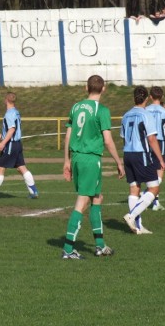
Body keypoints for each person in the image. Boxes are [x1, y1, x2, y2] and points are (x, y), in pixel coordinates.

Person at [61, 75, 124, 260]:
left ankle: (100, 246)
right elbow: (107, 140)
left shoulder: (76, 106)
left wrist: (66, 160)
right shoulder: (101, 110)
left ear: (85, 88)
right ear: (103, 88)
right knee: (82, 202)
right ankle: (68, 249)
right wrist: (118, 162)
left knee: (97, 197)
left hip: (77, 158)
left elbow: (68, 135)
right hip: (90, 159)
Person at [121, 86, 165, 235]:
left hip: (127, 154)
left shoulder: (126, 115)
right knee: (154, 188)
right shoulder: (146, 114)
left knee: (134, 189)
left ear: (134, 98)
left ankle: (138, 227)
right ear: (146, 98)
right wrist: (160, 159)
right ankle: (131, 215)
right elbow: (152, 138)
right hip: (141, 154)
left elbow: (123, 138)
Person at [0, 92, 39, 199]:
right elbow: (9, 130)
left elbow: (11, 129)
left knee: (0, 169)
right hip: (17, 144)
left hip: (10, 144)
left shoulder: (9, 114)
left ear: (6, 100)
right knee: (21, 168)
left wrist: (2, 143)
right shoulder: (16, 112)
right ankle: (34, 192)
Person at [145, 86, 165, 211]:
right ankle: (147, 193)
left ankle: (155, 202)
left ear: (150, 97)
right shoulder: (164, 112)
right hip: (160, 142)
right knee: (160, 171)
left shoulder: (145, 110)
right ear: (162, 97)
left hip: (147, 142)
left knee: (150, 170)